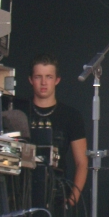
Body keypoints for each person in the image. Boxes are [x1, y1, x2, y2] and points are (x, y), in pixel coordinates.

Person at [24, 53, 88, 207]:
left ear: (57, 80)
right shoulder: (19, 112)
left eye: (49, 77)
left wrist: (72, 199)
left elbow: (82, 162)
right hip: (21, 192)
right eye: (38, 77)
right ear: (30, 80)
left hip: (56, 195)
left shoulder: (71, 116)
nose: (43, 82)